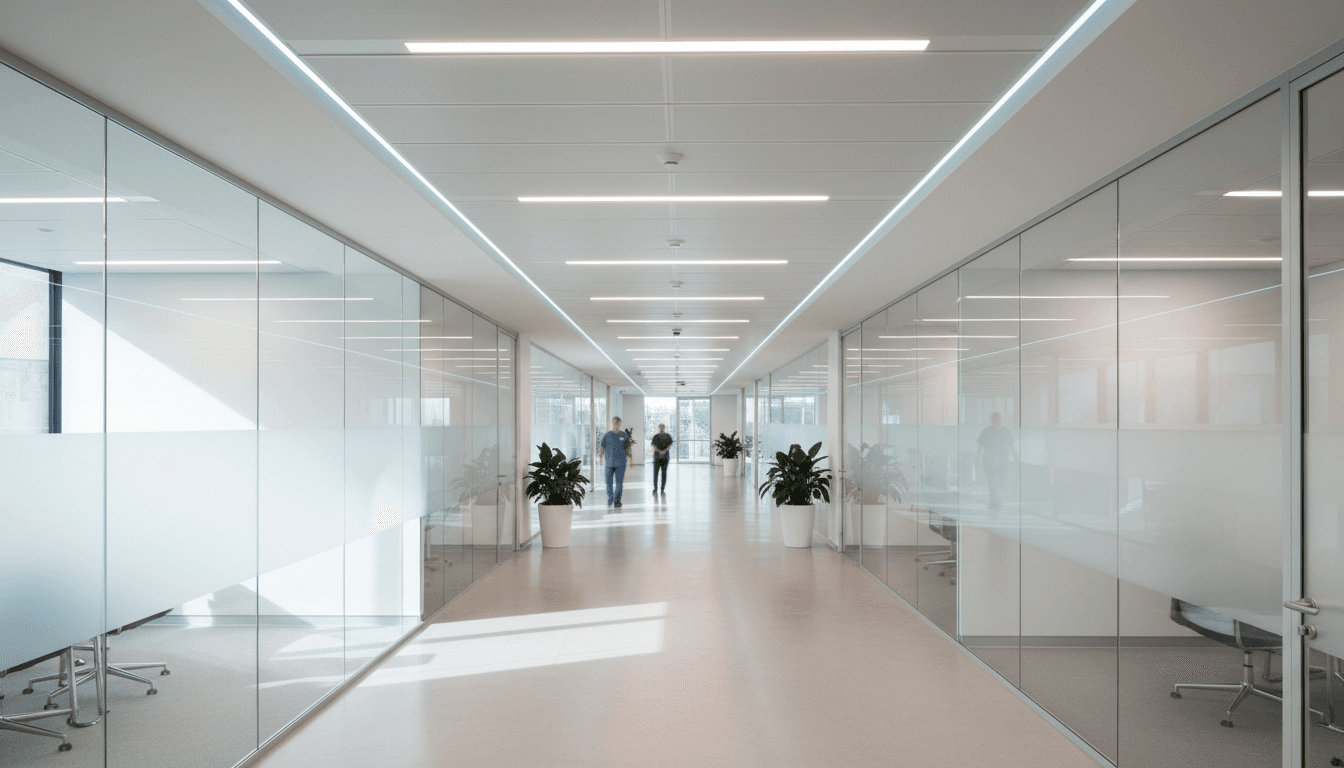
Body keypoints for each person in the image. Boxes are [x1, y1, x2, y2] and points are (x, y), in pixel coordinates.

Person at [975, 412, 1017, 511]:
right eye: (994, 418)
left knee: (1000, 483)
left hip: (1003, 462)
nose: (996, 420)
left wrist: (1017, 460)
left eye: (998, 418)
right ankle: (995, 503)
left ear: (1001, 419)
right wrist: (976, 461)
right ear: (991, 420)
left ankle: (995, 501)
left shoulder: (1006, 432)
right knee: (992, 483)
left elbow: (1012, 447)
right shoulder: (986, 431)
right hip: (989, 462)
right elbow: (979, 448)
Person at [598, 416, 629, 507]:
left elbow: (628, 448)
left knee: (619, 483)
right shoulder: (607, 435)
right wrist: (600, 458)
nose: (617, 425)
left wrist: (631, 459)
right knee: (609, 483)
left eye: (619, 423)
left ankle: (617, 501)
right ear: (612, 423)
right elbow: (602, 446)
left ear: (621, 424)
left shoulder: (624, 435)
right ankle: (610, 499)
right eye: (615, 423)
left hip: (621, 463)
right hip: (609, 463)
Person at [650, 423, 673, 495]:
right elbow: (653, 445)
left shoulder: (668, 436)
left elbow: (670, 444)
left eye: (663, 427)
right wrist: (659, 451)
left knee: (664, 473)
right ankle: (655, 488)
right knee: (655, 473)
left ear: (665, 428)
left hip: (665, 457)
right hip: (657, 457)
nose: (661, 428)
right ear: (658, 428)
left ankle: (662, 489)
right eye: (660, 427)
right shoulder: (655, 437)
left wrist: (665, 451)